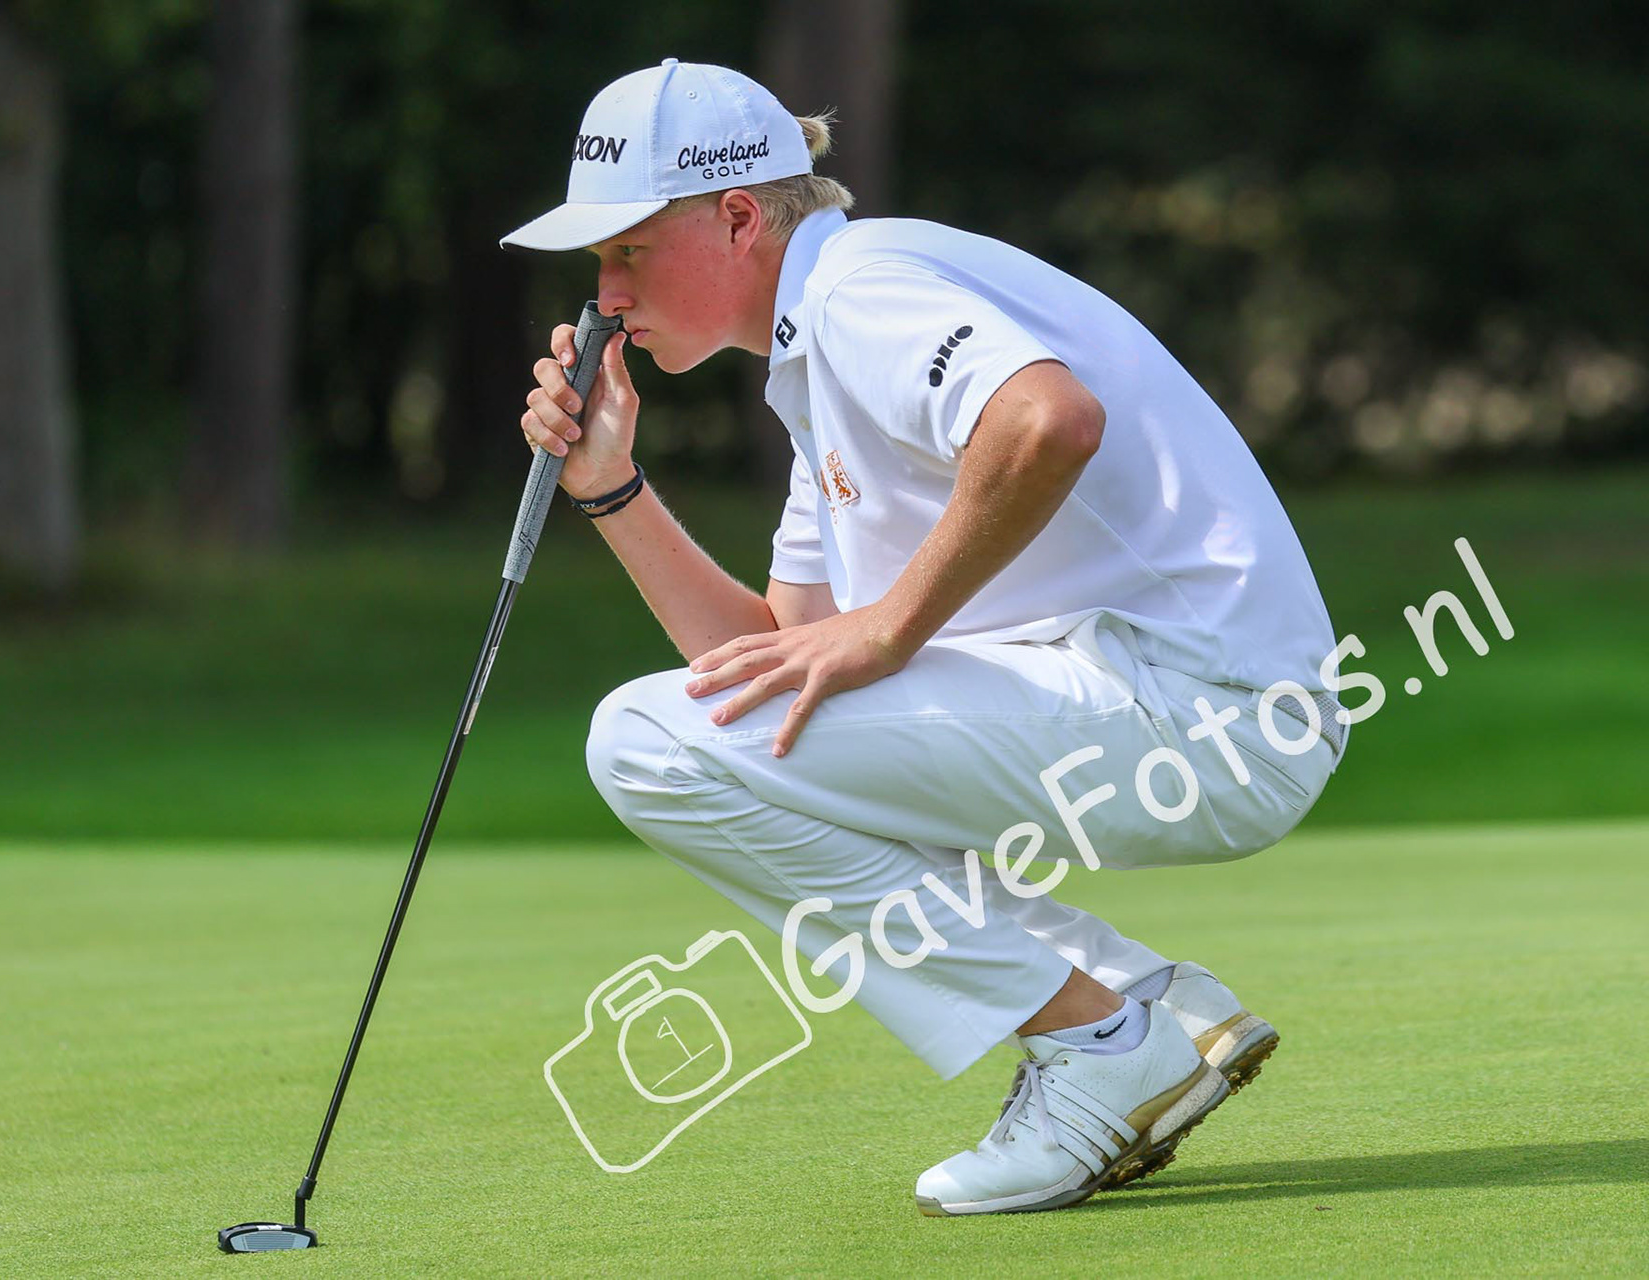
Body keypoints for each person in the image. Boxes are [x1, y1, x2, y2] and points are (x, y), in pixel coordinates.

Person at [504, 59, 1348, 1215]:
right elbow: (775, 668)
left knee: (637, 740)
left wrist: (893, 631)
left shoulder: (862, 290)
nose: (605, 294)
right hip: (1171, 699)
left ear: (739, 216)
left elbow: (1049, 419)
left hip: (1205, 706)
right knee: (724, 734)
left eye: (628, 251)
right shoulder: (818, 356)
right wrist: (612, 488)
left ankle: (1102, 1043)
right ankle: (1141, 997)